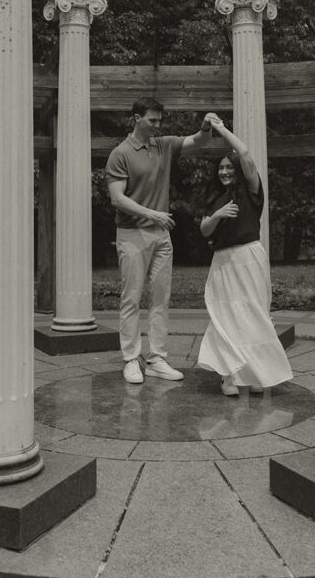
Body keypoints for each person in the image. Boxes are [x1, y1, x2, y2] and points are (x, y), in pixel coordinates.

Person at [105, 98, 215, 384]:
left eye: (159, 121)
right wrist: (153, 214)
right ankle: (131, 360)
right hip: (132, 235)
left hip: (161, 235)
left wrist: (205, 127)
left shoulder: (163, 145)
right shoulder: (121, 153)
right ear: (136, 119)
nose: (158, 125)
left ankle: (156, 360)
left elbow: (198, 142)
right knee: (131, 299)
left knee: (160, 299)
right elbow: (117, 198)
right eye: (152, 121)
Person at [197, 116, 293, 396]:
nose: (224, 172)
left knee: (252, 313)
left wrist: (222, 130)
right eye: (221, 168)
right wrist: (217, 215)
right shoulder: (215, 197)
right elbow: (204, 229)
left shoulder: (251, 193)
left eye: (229, 167)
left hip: (249, 257)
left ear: (238, 170)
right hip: (223, 262)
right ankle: (230, 375)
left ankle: (256, 374)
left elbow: (247, 155)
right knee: (225, 316)